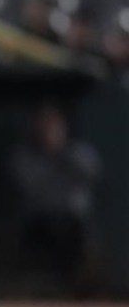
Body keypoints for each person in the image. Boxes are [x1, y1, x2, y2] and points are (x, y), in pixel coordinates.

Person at [8, 102, 102, 296]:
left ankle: (80, 293)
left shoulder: (76, 152)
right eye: (45, 128)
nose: (50, 133)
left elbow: (92, 172)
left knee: (75, 235)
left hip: (73, 225)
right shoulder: (24, 156)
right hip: (38, 223)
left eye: (55, 128)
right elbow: (32, 187)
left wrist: (62, 155)